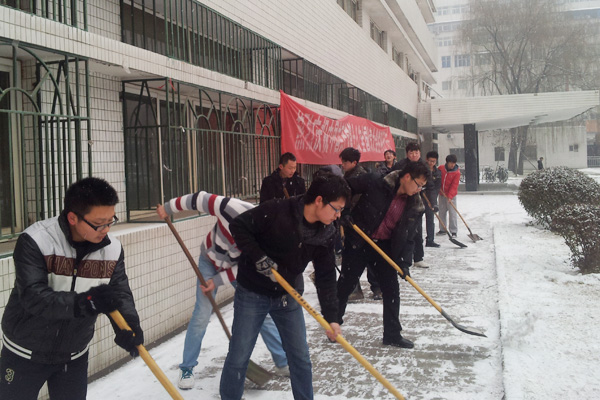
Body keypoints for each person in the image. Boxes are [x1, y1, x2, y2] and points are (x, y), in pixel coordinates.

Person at [0, 177, 143, 400]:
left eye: (110, 220)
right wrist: (84, 303)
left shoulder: (112, 249)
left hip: (74, 355)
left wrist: (129, 326)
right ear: (73, 218)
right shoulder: (36, 240)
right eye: (99, 223)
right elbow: (33, 297)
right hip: (24, 352)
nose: (106, 229)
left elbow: (119, 293)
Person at [220, 173, 350, 400]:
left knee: (300, 358)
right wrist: (259, 257)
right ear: (319, 200)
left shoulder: (326, 231)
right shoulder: (278, 210)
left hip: (288, 295)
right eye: (336, 208)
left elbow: (326, 276)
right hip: (253, 292)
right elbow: (239, 226)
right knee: (239, 356)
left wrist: (332, 317)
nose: (338, 215)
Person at [156, 192, 289, 390]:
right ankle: (187, 367)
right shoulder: (231, 208)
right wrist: (168, 207)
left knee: (260, 312)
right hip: (209, 260)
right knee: (201, 315)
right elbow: (198, 199)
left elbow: (246, 268)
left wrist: (217, 281)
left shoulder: (266, 240)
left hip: (236, 268)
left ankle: (283, 361)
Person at [337, 161, 429, 349]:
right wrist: (344, 211)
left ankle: (392, 334)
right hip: (359, 240)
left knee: (391, 290)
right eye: (418, 184)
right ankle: (333, 324)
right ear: (406, 177)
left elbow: (410, 237)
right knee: (346, 285)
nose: (419, 190)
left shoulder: (415, 205)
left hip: (385, 248)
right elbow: (345, 187)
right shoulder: (376, 182)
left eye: (422, 186)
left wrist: (404, 263)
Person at [339, 147, 382, 301]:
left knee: (369, 257)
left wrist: (348, 212)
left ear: (354, 162)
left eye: (345, 161)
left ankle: (377, 287)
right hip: (351, 223)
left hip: (363, 223)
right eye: (342, 161)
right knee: (350, 258)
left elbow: (356, 199)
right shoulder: (348, 174)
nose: (342, 164)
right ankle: (352, 289)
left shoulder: (361, 176)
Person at [392, 142, 428, 268]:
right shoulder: (400, 165)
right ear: (407, 154)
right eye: (411, 152)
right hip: (402, 202)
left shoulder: (424, 166)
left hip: (418, 203)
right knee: (404, 232)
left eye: (416, 152)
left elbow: (430, 184)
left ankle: (418, 257)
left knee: (417, 231)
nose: (414, 155)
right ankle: (401, 259)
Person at [438, 154, 461, 238]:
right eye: (451, 163)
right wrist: (438, 187)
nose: (452, 165)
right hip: (441, 194)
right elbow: (437, 179)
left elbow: (454, 185)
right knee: (442, 212)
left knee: (452, 213)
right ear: (447, 162)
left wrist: (450, 196)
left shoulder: (457, 173)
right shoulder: (441, 169)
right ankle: (442, 229)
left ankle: (454, 231)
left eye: (454, 163)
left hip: (451, 195)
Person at [424, 151, 442, 248]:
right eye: (430, 161)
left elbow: (436, 188)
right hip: (420, 197)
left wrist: (434, 202)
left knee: (430, 219)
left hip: (430, 199)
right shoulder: (422, 169)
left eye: (433, 161)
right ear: (426, 160)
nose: (431, 163)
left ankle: (430, 240)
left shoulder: (438, 173)